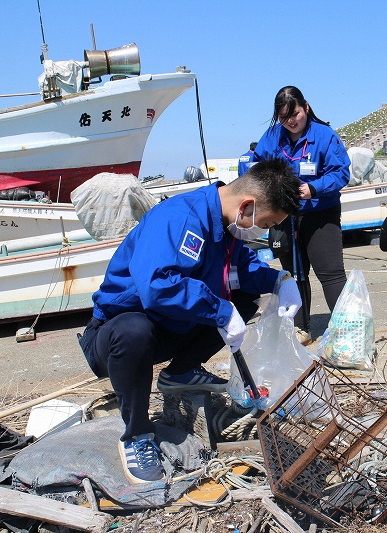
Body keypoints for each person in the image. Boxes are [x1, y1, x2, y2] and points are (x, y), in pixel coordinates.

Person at [77, 159, 302, 484]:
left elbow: (244, 271)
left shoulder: (229, 229)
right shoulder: (178, 217)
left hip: (170, 327)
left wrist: (280, 281)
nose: (264, 232)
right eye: (266, 224)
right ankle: (137, 435)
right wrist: (219, 311)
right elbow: (155, 286)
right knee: (134, 331)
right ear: (247, 207)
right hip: (117, 336)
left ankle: (180, 371)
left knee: (242, 298)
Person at [253, 86, 350, 345]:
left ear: (305, 107)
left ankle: (348, 330)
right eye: (284, 117)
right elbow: (257, 165)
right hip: (285, 215)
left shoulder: (325, 135)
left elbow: (341, 173)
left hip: (320, 212)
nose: (291, 121)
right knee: (293, 274)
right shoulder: (272, 136)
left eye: (295, 113)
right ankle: (300, 328)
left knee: (330, 273)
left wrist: (314, 188)